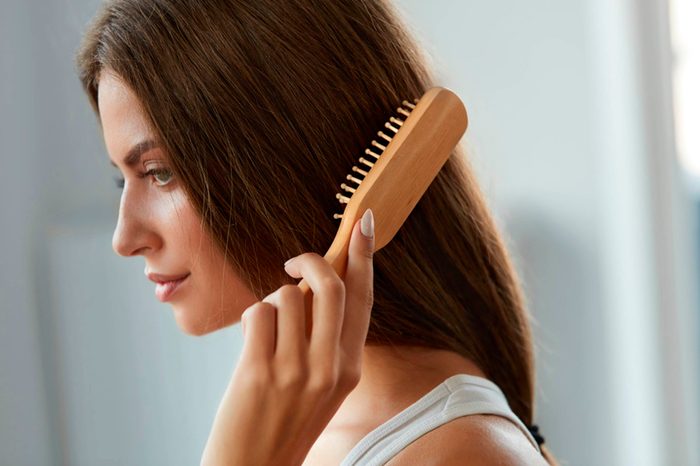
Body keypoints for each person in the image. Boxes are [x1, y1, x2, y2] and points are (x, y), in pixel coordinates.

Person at [76, 1, 557, 464]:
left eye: (160, 173)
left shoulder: (459, 454)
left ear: (290, 159)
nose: (125, 238)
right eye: (123, 178)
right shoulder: (303, 421)